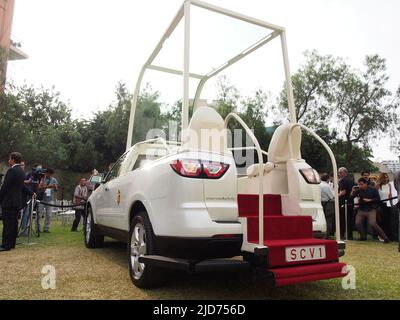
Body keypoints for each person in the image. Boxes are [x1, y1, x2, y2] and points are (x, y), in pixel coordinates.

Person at [0, 152, 31, 252]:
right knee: (13, 223)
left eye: (9, 159)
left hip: (8, 201)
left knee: (8, 223)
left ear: (13, 159)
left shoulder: (12, 171)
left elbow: (5, 186)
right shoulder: (21, 171)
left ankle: (5, 245)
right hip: (16, 201)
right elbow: (21, 186)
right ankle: (12, 243)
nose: (8, 161)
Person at [352, 177, 390, 243]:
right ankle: (362, 236)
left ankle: (385, 238)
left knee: (373, 223)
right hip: (361, 209)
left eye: (361, 184)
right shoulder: (358, 190)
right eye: (359, 184)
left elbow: (378, 199)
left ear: (366, 184)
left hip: (371, 209)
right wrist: (352, 192)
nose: (360, 186)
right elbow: (351, 198)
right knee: (357, 223)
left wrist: (370, 200)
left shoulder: (373, 190)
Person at [37, 168, 59, 233]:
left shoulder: (54, 180)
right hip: (42, 199)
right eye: (47, 173)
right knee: (39, 214)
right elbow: (39, 187)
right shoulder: (42, 179)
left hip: (50, 199)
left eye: (50, 174)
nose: (48, 175)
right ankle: (37, 228)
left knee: (49, 215)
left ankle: (46, 228)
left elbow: (56, 190)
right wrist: (48, 186)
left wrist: (55, 187)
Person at [338, 167, 355, 240]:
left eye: (340, 173)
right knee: (350, 219)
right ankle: (350, 235)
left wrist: (335, 196)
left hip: (343, 201)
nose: (339, 174)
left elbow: (343, 192)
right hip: (351, 201)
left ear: (344, 172)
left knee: (342, 219)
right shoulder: (352, 179)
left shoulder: (342, 180)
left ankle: (342, 234)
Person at [375, 172, 393, 240]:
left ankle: (388, 236)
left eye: (387, 177)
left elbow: (390, 195)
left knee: (388, 220)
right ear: (381, 178)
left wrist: (391, 204)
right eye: (384, 177)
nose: (386, 178)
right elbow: (376, 195)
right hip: (381, 204)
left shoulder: (389, 185)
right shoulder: (378, 185)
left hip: (388, 204)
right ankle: (381, 236)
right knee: (381, 220)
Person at [320, 173, 334, 238]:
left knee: (321, 219)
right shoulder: (326, 186)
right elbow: (332, 196)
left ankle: (321, 234)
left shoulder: (318, 184)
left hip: (320, 202)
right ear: (327, 178)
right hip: (328, 203)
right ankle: (327, 235)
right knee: (328, 220)